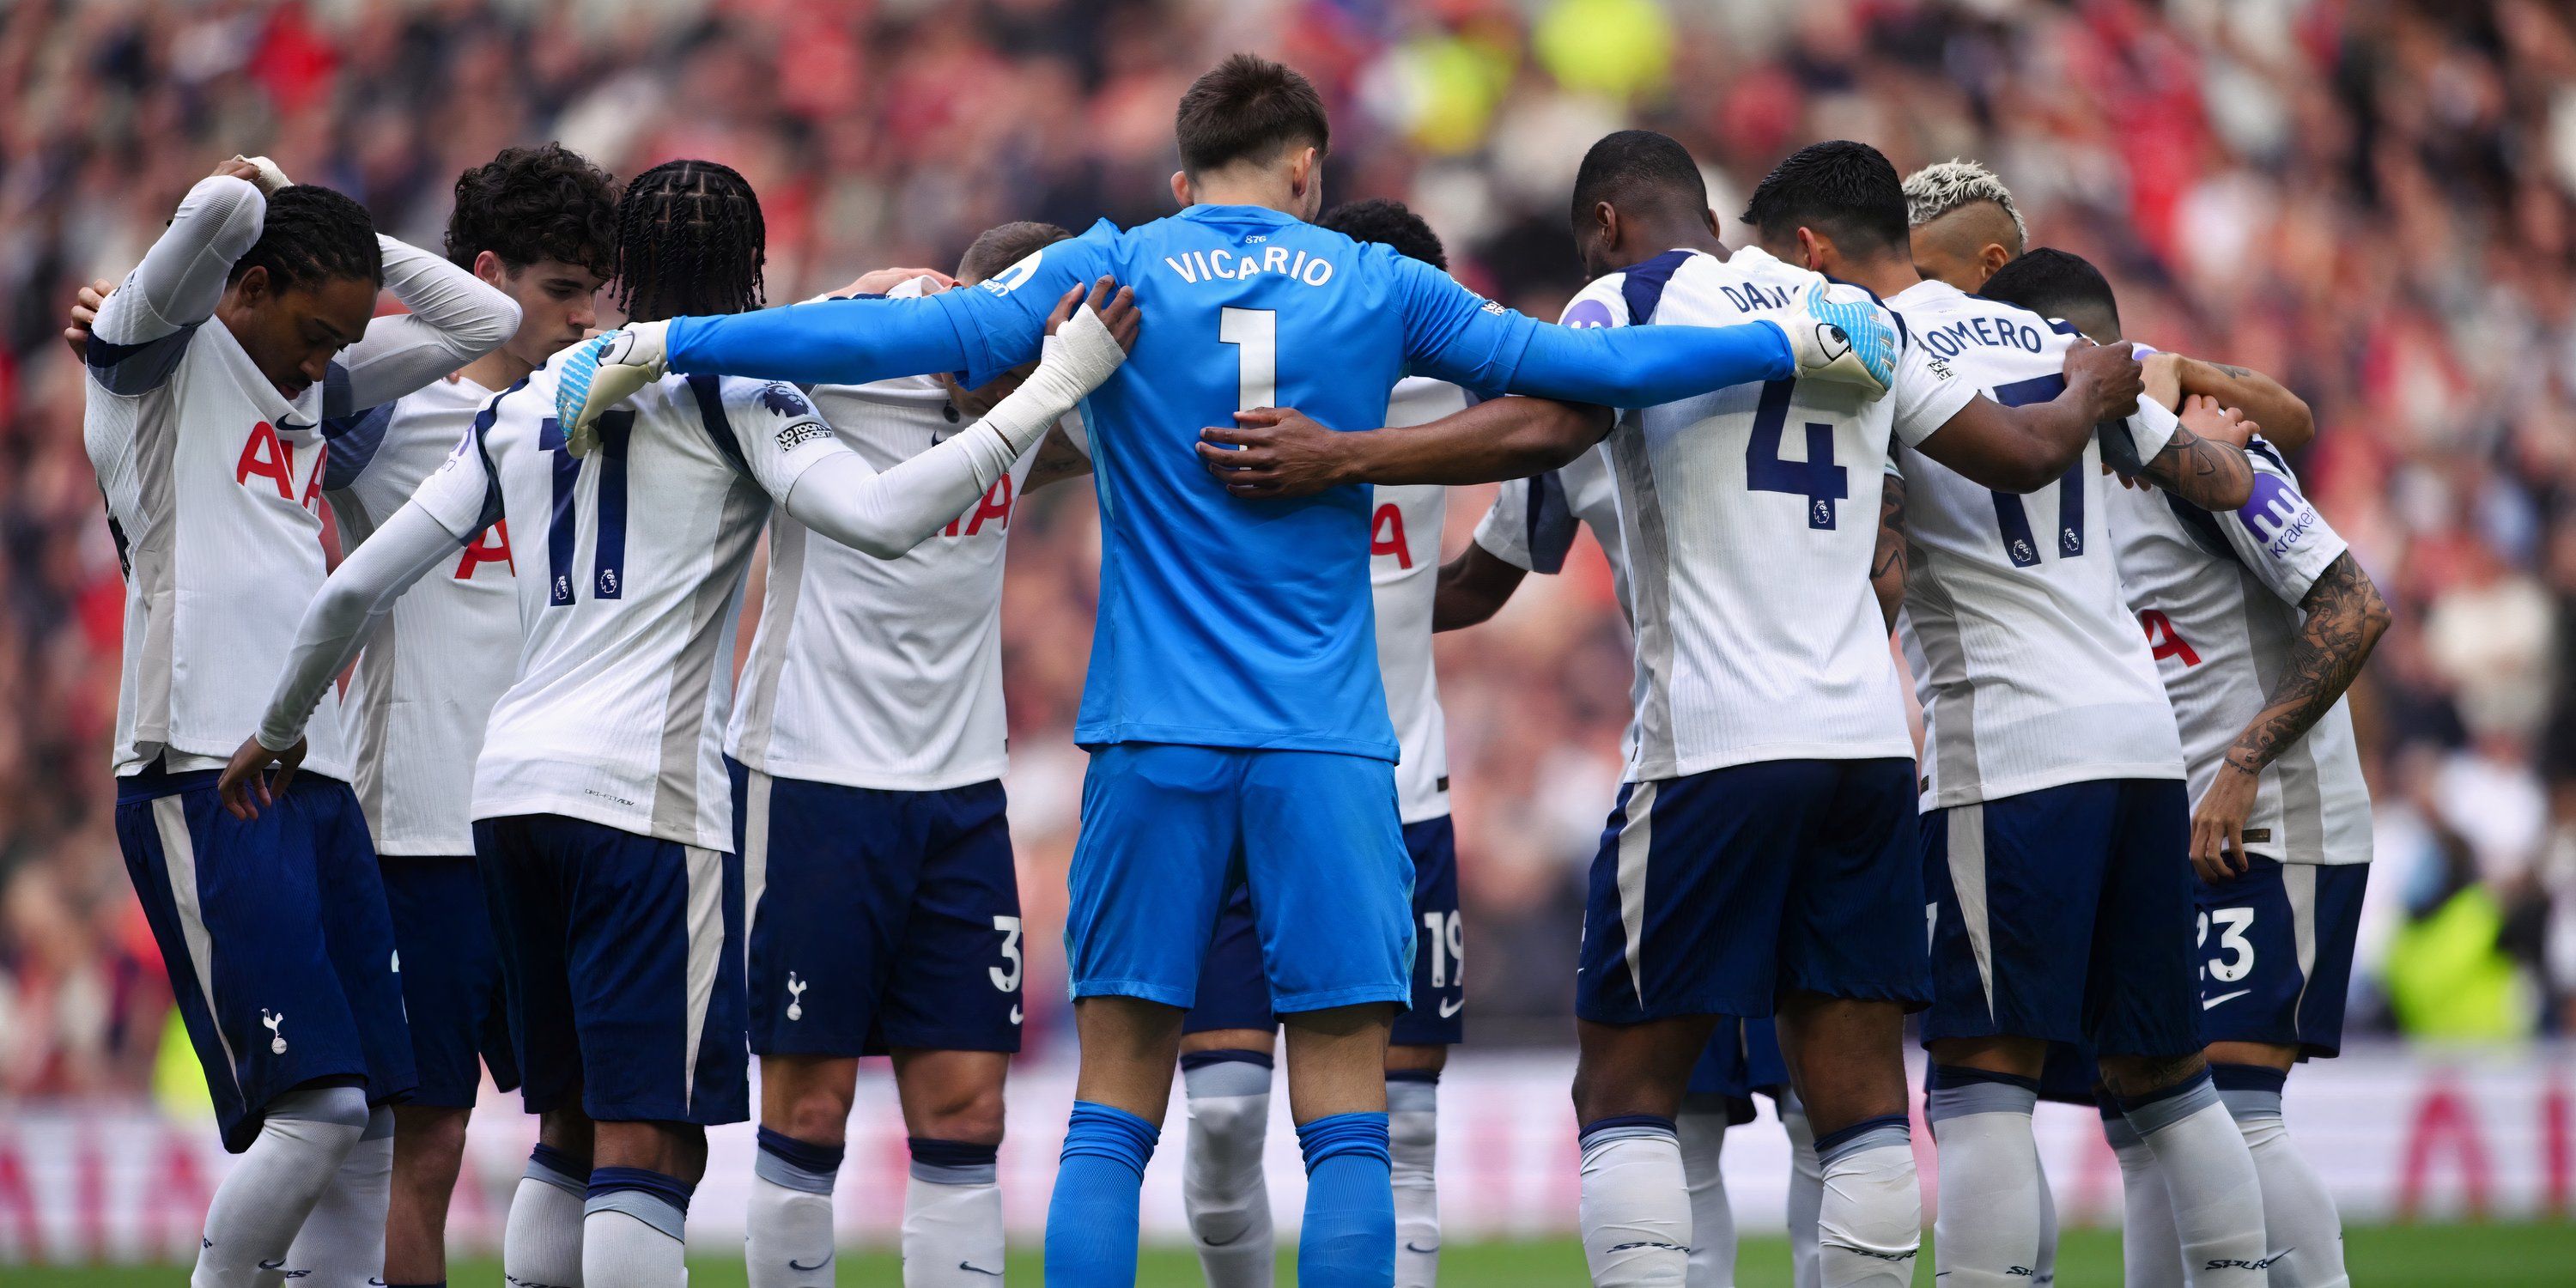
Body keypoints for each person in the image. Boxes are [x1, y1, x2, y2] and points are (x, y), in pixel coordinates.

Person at [549, 56, 1903, 1288]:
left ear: (1187, 170)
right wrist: (1787, 340)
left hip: (1155, 737)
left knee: (1113, 1108)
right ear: (1309, 166)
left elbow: (896, 341)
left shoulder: (1118, 262)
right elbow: (1577, 368)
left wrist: (674, 340)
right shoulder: (1377, 284)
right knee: (1349, 1117)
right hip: (1328, 743)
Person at [1209, 130, 2155, 1288]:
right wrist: (2087, 384)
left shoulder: (1623, 303)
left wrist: (1344, 458)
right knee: (1860, 1101)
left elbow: (1554, 430)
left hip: (1714, 747)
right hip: (1868, 748)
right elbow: (2012, 454)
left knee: (1625, 1089)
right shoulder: (1847, 311)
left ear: (1607, 225)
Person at [216, 158, 1137, 1288]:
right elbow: (880, 513)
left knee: (566, 1126)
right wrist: (1051, 387)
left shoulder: (520, 408)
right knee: (649, 1145)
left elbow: (355, 587)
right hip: (645, 802)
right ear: (752, 274)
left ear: (619, 272)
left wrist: (280, 723)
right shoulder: (742, 396)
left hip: (508, 798)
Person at [84, 155, 521, 1288]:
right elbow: (224, 209)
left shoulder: (307, 391)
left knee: (367, 1122)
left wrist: (347, 241)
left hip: (313, 778)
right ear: (249, 284)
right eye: (316, 332)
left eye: (341, 339)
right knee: (318, 1111)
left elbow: (487, 319)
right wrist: (270, 190)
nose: (327, 362)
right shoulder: (148, 360)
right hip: (199, 768)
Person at [1858, 144, 2285, 1285]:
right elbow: (2227, 481)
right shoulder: (2059, 343)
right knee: (2168, 1074)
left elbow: (1877, 565)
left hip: (2008, 751)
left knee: (1981, 1075)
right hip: (2141, 745)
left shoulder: (1883, 343)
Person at [1986, 247, 2391, 1288]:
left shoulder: (2194, 453)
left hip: (2270, 822)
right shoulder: (2047, 474)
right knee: (2145, 1123)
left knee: (2236, 1109)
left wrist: (2244, 764)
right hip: (2159, 832)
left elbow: (2356, 606)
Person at [729, 222, 1091, 1288]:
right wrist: (846, 295)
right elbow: (728, 366)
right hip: (812, 772)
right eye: (1002, 348)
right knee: (809, 1108)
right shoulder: (857, 353)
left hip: (961, 790)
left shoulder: (1054, 385)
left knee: (969, 1110)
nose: (1015, 381)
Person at [318, 143, 617, 1288]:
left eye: (595, 291)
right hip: (420, 834)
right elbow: (248, 376)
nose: (584, 315)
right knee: (428, 1143)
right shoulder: (387, 416)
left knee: (583, 1123)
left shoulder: (598, 417)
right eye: (561, 289)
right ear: (489, 276)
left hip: (554, 827)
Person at [1171, 197, 1473, 1288]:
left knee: (1406, 1126)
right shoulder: (1233, 393)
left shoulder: (1455, 394)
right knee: (1221, 1121)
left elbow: (1565, 403)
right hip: (1243, 787)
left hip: (1404, 793)